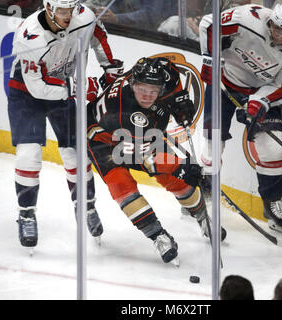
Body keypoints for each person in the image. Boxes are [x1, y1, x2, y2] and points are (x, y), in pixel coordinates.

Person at [86, 57, 227, 264]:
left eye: (154, 91)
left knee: (174, 180)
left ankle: (202, 217)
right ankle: (157, 235)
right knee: (122, 186)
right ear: (133, 84)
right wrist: (182, 167)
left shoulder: (163, 74)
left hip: (142, 134)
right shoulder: (124, 110)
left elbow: (167, 66)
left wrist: (179, 98)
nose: (147, 95)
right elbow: (148, 159)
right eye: (142, 89)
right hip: (104, 141)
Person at [7, 0, 124, 249]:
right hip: (27, 92)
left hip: (65, 89)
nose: (68, 16)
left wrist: (109, 67)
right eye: (62, 11)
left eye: (71, 10)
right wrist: (78, 88)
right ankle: (26, 213)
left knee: (75, 153)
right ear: (48, 8)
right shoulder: (30, 35)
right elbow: (37, 87)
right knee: (29, 154)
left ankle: (87, 206)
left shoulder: (84, 16)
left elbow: (98, 35)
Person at [198, 0, 282, 235]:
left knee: (274, 148)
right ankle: (203, 191)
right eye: (276, 27)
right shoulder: (247, 18)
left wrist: (258, 102)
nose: (279, 34)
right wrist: (210, 58)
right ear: (271, 20)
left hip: (259, 91)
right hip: (224, 81)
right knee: (212, 143)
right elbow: (209, 24)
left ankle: (271, 203)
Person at [84, 0, 178, 31]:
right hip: (127, 33)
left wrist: (117, 18)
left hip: (158, 38)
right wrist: (102, 12)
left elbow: (151, 16)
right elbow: (117, 5)